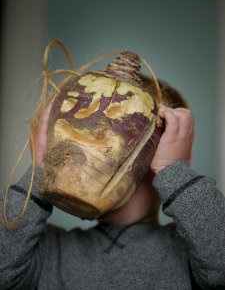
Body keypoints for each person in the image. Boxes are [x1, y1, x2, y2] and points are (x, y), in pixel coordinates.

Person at [0, 80, 225, 290]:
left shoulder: (193, 254)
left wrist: (174, 172)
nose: (103, 157)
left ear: (172, 156)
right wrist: (44, 169)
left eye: (131, 144)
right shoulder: (46, 251)